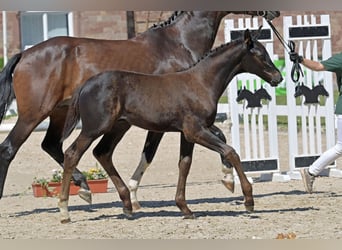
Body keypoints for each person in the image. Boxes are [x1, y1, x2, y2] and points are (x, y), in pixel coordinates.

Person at [290, 51, 342, 193]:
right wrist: (300, 59)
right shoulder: (340, 59)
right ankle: (311, 172)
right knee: (340, 147)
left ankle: (311, 172)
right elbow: (319, 66)